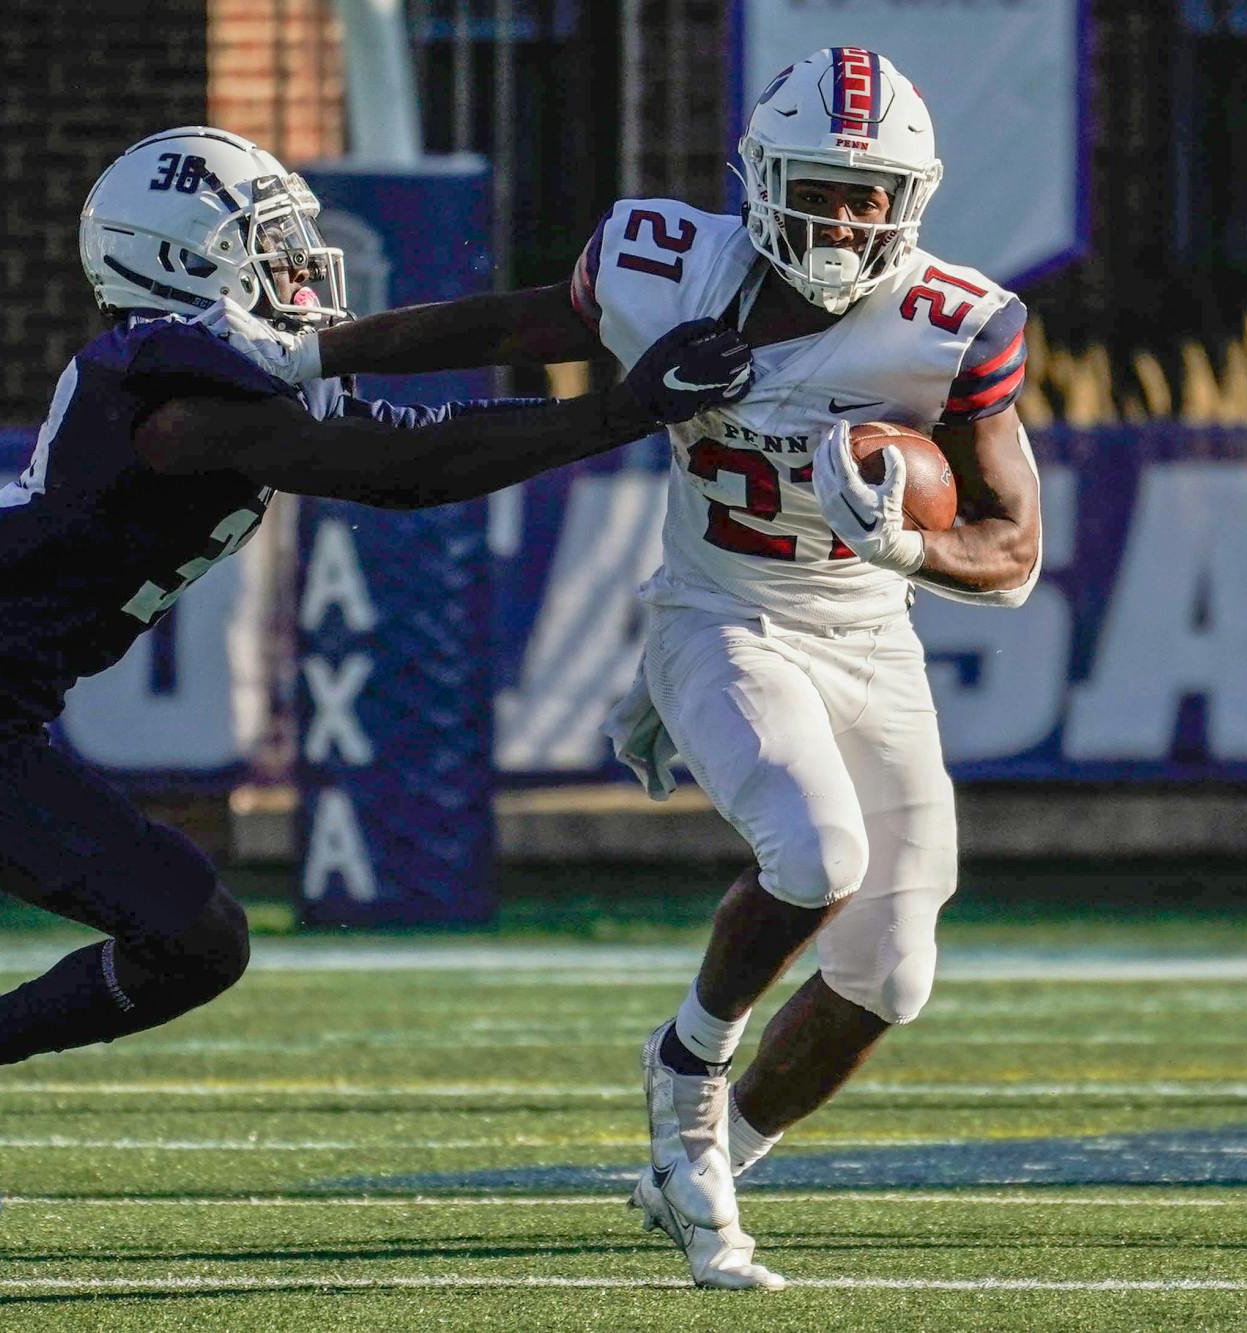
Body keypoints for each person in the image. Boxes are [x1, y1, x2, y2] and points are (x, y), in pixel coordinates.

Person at [0, 125, 754, 1289]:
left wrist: (587, 313)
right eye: (267, 245)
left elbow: (396, 351)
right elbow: (403, 468)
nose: (298, 269)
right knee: (192, 938)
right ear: (184, 264)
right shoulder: (172, 396)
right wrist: (621, 409)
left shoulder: (191, 368)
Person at [261, 48, 1044, 1288]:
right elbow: (512, 321)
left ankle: (705, 1155)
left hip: (868, 636)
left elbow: (1009, 553)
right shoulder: (662, 260)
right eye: (820, 187)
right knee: (814, 853)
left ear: (910, 198)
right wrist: (326, 352)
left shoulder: (954, 325)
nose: (842, 217)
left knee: (890, 972)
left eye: (867, 194)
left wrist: (905, 540)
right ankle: (686, 1067)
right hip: (717, 614)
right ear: (759, 179)